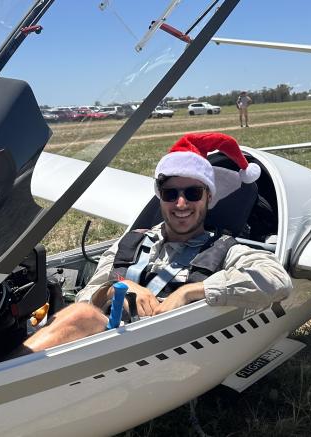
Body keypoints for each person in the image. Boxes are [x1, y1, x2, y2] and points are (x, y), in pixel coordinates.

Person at [19, 132, 293, 353]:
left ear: (209, 198)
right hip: (109, 341)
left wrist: (190, 292)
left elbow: (277, 280)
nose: (181, 203)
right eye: (170, 193)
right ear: (159, 197)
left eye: (193, 192)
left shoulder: (225, 248)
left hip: (167, 346)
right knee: (79, 313)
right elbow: (87, 296)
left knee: (79, 316)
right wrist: (116, 289)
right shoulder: (131, 242)